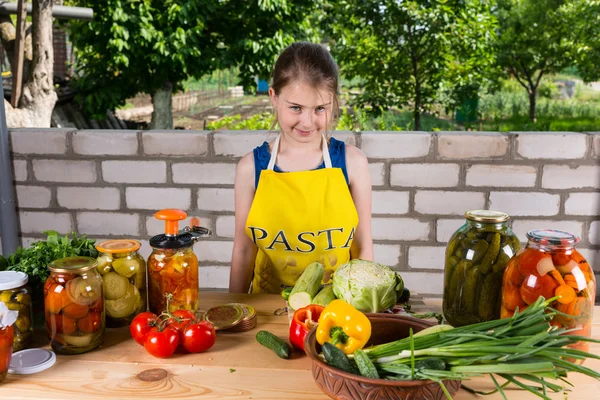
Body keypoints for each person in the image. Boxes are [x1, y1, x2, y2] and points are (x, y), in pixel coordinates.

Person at [229, 42, 373, 294]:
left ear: (333, 102)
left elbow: (363, 245)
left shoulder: (353, 163)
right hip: (266, 310)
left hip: (337, 309)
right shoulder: (250, 168)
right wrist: (234, 315)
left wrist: (368, 307)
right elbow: (243, 250)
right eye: (295, 107)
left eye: (320, 109)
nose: (307, 122)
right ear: (274, 97)